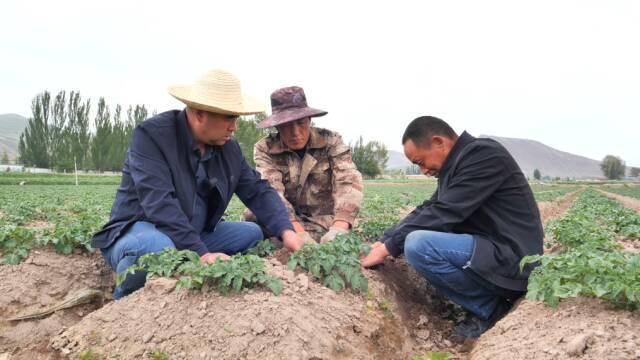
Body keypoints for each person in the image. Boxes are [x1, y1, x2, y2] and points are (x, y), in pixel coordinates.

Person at [91, 70, 305, 299]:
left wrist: (286, 230)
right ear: (201, 114)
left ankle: (188, 270)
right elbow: (159, 203)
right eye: (228, 118)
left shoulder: (228, 149)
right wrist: (201, 254)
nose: (234, 127)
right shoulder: (153, 136)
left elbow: (257, 190)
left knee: (251, 233)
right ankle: (124, 300)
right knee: (157, 249)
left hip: (191, 233)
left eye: (235, 118)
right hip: (142, 230)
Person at [360, 116, 543, 339]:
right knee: (416, 237)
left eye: (420, 162)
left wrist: (390, 247)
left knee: (419, 245)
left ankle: (490, 309)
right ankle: (485, 302)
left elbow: (445, 213)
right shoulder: (458, 164)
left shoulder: (482, 155)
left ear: (439, 142)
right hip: (494, 250)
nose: (424, 170)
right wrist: (385, 239)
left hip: (514, 259)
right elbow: (430, 207)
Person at [243, 86, 363, 243]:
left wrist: (339, 227)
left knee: (335, 226)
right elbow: (271, 191)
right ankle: (287, 237)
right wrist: (296, 231)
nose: (295, 132)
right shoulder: (265, 148)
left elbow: (348, 179)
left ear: (310, 120)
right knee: (252, 216)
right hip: (284, 219)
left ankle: (280, 239)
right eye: (286, 125)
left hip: (323, 219)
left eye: (301, 123)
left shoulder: (331, 141)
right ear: (277, 126)